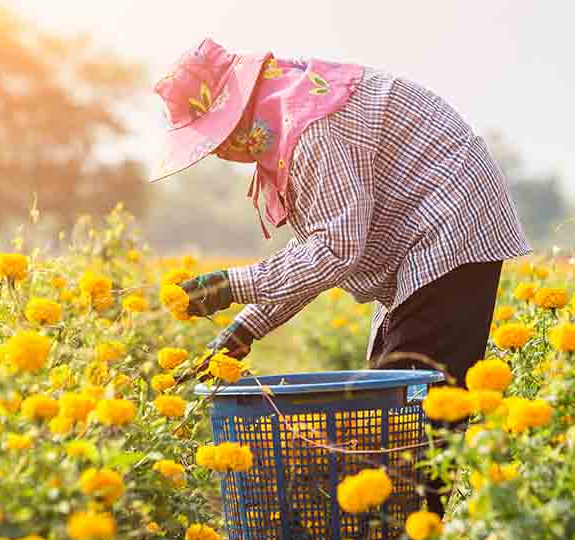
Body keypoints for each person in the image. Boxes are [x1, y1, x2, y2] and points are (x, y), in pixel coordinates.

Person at [151, 39, 530, 513]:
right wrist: (246, 327)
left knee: (408, 417)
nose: (216, 153)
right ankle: (396, 527)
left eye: (213, 138)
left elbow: (335, 249)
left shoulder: (309, 127)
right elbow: (319, 247)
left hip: (450, 226)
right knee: (394, 406)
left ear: (236, 115)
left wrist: (231, 284)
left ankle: (406, 533)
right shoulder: (288, 111)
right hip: (420, 241)